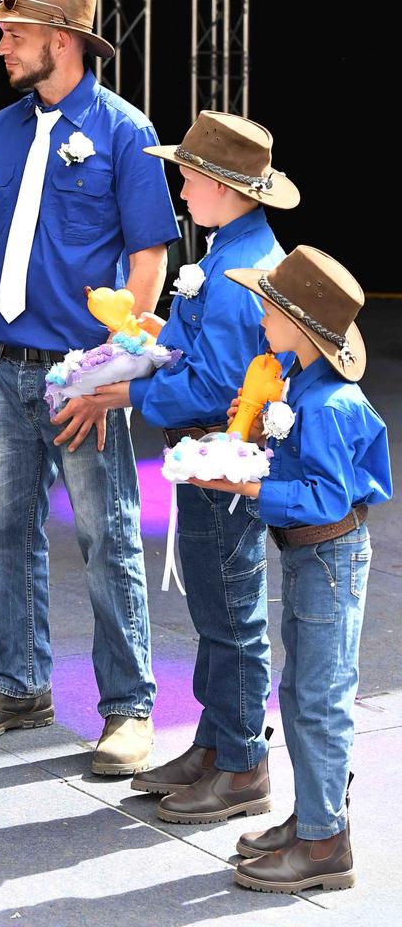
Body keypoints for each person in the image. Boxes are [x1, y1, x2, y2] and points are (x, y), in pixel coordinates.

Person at [0, 0, 179, 775]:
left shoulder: (125, 132)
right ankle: (19, 686)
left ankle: (129, 711)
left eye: (13, 33)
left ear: (61, 41)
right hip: (4, 369)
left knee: (108, 537)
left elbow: (150, 260)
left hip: (81, 375)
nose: (0, 46)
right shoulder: (2, 131)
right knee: (2, 537)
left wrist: (114, 372)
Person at [93, 111, 300, 817]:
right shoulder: (226, 255)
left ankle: (242, 764)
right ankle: (216, 744)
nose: (180, 188)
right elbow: (206, 360)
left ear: (222, 185)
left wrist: (130, 387)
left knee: (232, 618)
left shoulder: (239, 271)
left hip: (224, 458)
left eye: (187, 176)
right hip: (211, 454)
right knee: (217, 612)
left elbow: (217, 385)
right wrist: (153, 338)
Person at [188, 246, 391, 892]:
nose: (259, 315)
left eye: (268, 307)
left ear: (299, 324)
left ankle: (326, 843)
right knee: (302, 693)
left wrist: (244, 485)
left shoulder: (329, 403)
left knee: (319, 701)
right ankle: (314, 818)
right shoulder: (295, 380)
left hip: (328, 558)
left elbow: (327, 497)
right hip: (309, 557)